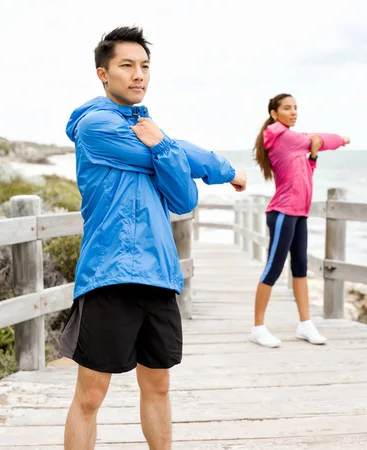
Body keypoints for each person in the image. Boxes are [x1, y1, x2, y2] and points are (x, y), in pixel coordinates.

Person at [58, 26, 247, 450]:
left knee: (158, 386)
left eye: (144, 66)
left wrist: (163, 146)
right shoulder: (95, 127)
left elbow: (183, 198)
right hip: (110, 273)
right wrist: (220, 167)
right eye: (127, 65)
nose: (138, 74)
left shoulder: (148, 128)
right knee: (91, 395)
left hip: (158, 274)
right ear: (103, 74)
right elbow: (173, 157)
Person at [250, 93, 349, 348]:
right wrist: (341, 140)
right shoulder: (279, 134)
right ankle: (258, 327)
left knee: (300, 268)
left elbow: (307, 170)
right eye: (287, 108)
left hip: (299, 213)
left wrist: (313, 156)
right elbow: (317, 139)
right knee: (273, 268)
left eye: (295, 108)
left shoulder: (293, 143)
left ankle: (305, 324)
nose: (293, 112)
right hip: (283, 212)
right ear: (274, 113)